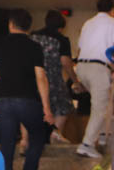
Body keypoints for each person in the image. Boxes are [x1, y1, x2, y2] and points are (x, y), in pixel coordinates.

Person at [0, 9, 53, 170]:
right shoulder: (34, 47)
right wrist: (46, 108)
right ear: (29, 26)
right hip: (28, 99)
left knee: (6, 143)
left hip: (4, 99)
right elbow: (41, 78)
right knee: (38, 134)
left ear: (10, 24)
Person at [74, 0, 114, 159]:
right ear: (113, 9)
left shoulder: (87, 23)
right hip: (99, 68)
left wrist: (78, 78)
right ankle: (87, 144)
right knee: (100, 107)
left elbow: (79, 49)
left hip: (82, 66)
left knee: (104, 100)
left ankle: (103, 135)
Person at [30, 10, 78, 143]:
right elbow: (65, 62)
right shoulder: (61, 39)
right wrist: (75, 80)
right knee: (63, 106)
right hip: (53, 79)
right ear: (61, 27)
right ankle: (55, 133)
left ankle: (31, 138)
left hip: (32, 79)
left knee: (35, 108)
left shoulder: (33, 37)